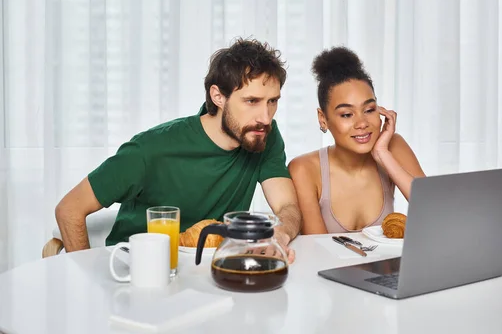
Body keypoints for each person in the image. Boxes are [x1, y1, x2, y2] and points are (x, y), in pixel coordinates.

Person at [55, 38, 301, 261]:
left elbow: (287, 207)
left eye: (273, 101)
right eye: (252, 101)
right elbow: (69, 209)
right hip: (138, 272)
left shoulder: (262, 134)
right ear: (218, 96)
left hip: (210, 271)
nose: (266, 117)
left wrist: (280, 234)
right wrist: (84, 276)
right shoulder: (151, 149)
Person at [288, 46, 425, 234]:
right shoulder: (304, 169)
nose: (362, 123)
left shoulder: (393, 147)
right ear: (323, 118)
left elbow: (437, 213)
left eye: (369, 110)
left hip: (393, 265)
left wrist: (383, 154)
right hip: (329, 264)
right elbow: (316, 249)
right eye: (346, 114)